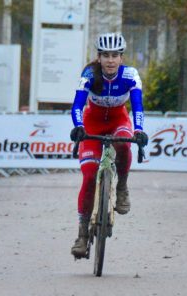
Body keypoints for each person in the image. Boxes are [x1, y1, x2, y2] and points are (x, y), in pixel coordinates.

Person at [69, 32, 148, 258]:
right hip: (92, 123)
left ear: (121, 58)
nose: (110, 60)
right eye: (106, 56)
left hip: (118, 120)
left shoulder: (131, 75)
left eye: (115, 55)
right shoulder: (89, 74)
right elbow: (77, 105)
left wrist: (139, 131)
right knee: (88, 174)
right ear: (99, 57)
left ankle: (122, 186)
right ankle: (82, 235)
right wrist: (78, 126)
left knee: (124, 143)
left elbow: (138, 107)